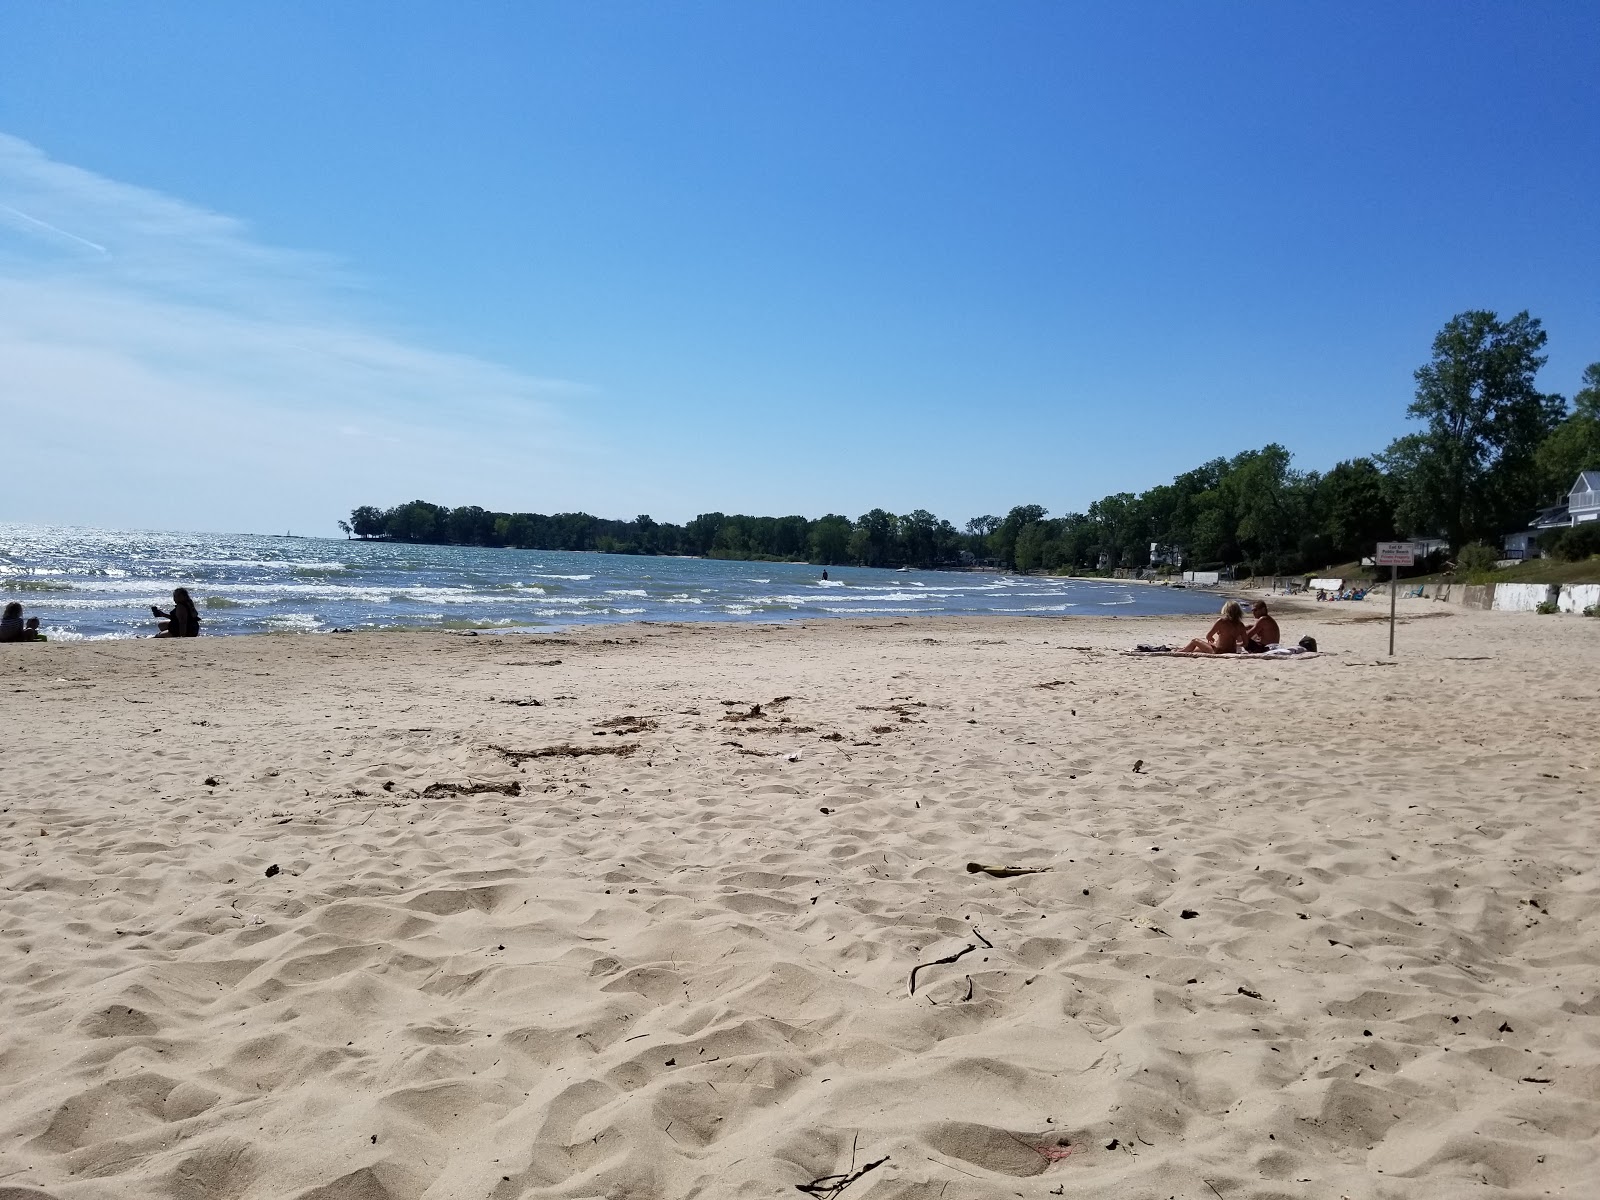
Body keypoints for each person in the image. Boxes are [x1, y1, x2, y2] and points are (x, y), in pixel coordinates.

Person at [1175, 600, 1249, 654]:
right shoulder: (1240, 625)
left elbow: (1208, 636)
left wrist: (1211, 639)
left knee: (1195, 641)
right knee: (1199, 649)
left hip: (1219, 651)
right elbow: (1245, 643)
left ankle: (1181, 652)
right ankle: (1185, 649)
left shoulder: (1221, 621)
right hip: (1232, 651)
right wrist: (1235, 645)